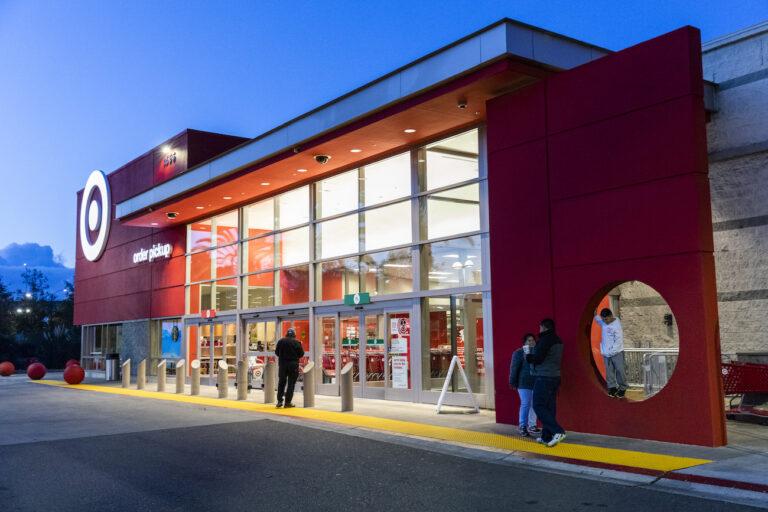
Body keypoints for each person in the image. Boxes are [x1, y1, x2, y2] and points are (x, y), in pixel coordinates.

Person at [526, 318, 566, 447]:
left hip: (544, 377)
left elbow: (538, 359)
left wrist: (528, 356)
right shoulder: (558, 339)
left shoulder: (545, 340)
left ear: (543, 327)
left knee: (538, 405)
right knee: (549, 407)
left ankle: (558, 431)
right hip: (555, 377)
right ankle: (546, 437)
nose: (539, 330)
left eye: (540, 327)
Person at [509, 333, 540, 437]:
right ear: (524, 343)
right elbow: (514, 368)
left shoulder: (537, 352)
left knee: (534, 404)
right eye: (529, 340)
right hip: (523, 383)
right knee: (526, 403)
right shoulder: (518, 353)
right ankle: (522, 426)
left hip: (535, 382)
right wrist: (513, 381)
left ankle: (532, 425)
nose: (531, 342)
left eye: (533, 340)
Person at [594, 308, 627, 398]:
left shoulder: (616, 326)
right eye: (603, 319)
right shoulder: (603, 322)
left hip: (617, 353)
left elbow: (618, 341)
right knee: (609, 371)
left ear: (611, 316)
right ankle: (612, 387)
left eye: (606, 319)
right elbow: (599, 321)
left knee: (620, 371)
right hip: (606, 353)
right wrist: (595, 314)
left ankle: (622, 388)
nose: (605, 321)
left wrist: (611, 352)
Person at [274, 328, 305, 408]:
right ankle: (288, 403)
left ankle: (279, 401)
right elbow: (301, 354)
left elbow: (277, 352)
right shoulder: (297, 342)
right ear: (294, 334)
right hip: (293, 365)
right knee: (291, 384)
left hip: (282, 365)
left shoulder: (281, 341)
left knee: (281, 383)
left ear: (286, 334)